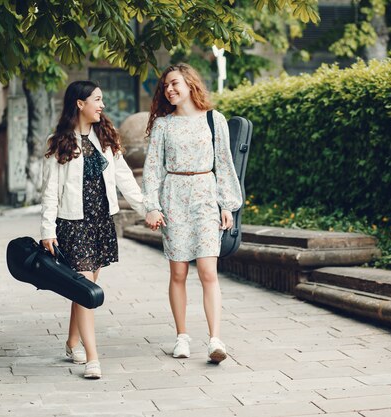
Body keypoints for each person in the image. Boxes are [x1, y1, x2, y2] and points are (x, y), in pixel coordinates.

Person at [40, 80, 145, 379]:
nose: (102, 105)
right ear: (79, 103)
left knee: (82, 289)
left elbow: (124, 178)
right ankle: (93, 359)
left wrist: (147, 208)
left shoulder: (106, 138)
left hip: (101, 223)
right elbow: (50, 191)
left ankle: (72, 342)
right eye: (97, 100)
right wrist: (48, 230)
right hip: (73, 224)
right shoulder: (58, 142)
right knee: (87, 288)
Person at [142, 64, 242, 364]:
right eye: (165, 87)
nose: (169, 90)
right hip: (174, 196)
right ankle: (182, 337)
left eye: (174, 83)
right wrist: (152, 206)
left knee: (209, 272)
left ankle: (215, 340)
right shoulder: (163, 125)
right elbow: (152, 169)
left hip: (205, 196)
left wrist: (227, 206)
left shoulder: (214, 119)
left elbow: (224, 164)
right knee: (179, 272)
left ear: (189, 83)